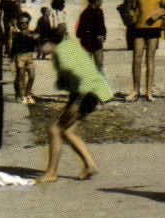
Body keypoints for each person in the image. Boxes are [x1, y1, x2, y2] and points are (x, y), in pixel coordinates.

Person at [34, 30, 114, 183]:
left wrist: (76, 104)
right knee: (68, 131)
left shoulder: (63, 54)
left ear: (50, 43)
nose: (38, 48)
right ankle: (89, 165)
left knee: (54, 130)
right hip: (87, 93)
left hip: (86, 93)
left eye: (40, 44)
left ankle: (51, 173)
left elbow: (86, 79)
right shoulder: (65, 47)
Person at [123, 0, 165, 101]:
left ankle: (149, 92)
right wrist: (130, 17)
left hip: (154, 28)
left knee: (150, 59)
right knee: (136, 59)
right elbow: (134, 8)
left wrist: (157, 13)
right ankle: (135, 90)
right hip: (139, 27)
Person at [75, 0, 109, 73]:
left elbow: (79, 33)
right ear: (96, 1)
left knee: (94, 67)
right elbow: (101, 27)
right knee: (97, 66)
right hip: (91, 44)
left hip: (91, 43)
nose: (102, 1)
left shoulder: (87, 13)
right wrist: (101, 36)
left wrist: (102, 36)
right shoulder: (90, 13)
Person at [9, 13, 40, 104]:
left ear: (28, 23)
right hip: (20, 56)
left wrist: (34, 39)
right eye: (22, 23)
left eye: (26, 23)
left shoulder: (30, 33)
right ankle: (22, 96)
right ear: (19, 23)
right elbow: (14, 47)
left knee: (32, 76)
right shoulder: (17, 34)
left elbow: (35, 46)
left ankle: (27, 94)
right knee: (21, 77)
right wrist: (12, 57)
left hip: (29, 56)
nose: (24, 25)